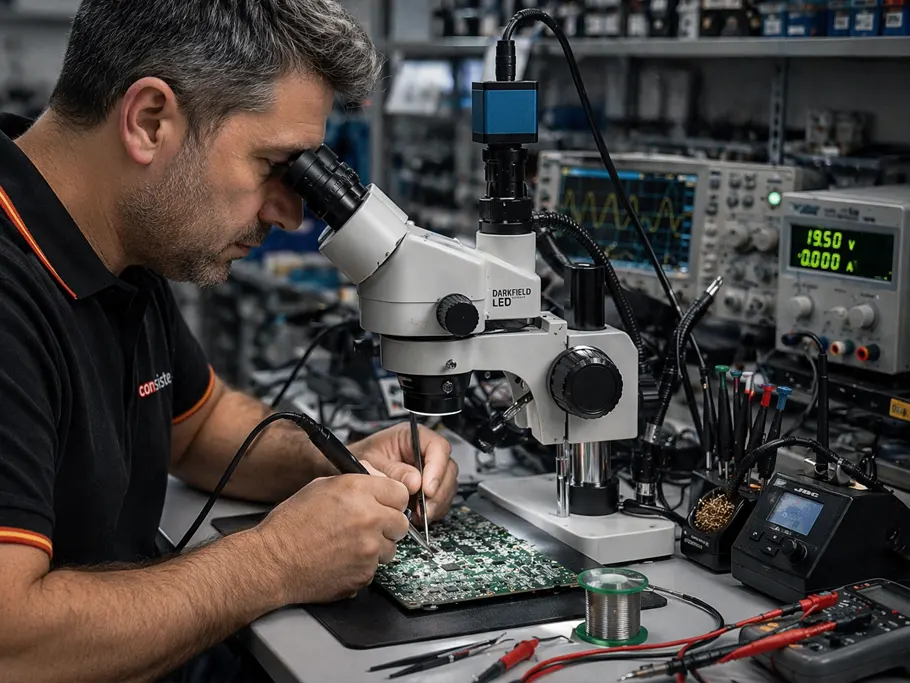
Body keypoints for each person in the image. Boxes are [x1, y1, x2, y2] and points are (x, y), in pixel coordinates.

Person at [0, 1, 459, 681]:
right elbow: (14, 644)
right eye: (275, 165)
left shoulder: (118, 245)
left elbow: (200, 423)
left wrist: (339, 461)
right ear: (150, 120)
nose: (291, 212)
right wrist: (276, 561)